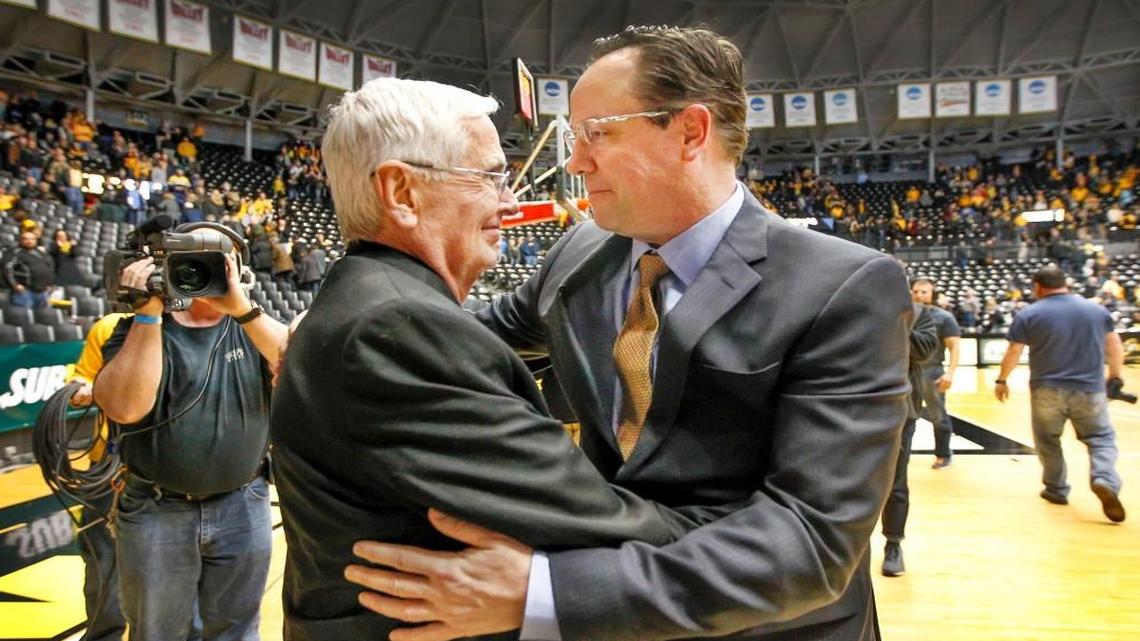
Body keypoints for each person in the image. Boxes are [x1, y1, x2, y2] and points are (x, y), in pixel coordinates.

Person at [346, 25, 912, 641]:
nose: (575, 161)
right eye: (574, 137)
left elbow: (811, 541)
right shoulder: (578, 252)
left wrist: (548, 595)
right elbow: (466, 341)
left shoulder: (845, 286)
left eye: (598, 133)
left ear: (690, 131)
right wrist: (319, 330)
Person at [269, 77, 703, 641]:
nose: (511, 201)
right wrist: (769, 540)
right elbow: (590, 522)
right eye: (489, 177)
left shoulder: (370, 306)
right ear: (402, 192)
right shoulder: (399, 328)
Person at [93, 232, 287, 641]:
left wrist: (242, 309)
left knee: (237, 632)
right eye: (190, 262)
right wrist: (148, 315)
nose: (201, 273)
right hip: (156, 508)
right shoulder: (135, 328)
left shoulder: (252, 327)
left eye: (217, 262)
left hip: (243, 503)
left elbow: (300, 366)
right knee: (157, 633)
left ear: (239, 270)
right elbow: (125, 409)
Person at [995, 265, 1126, 523]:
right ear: (1065, 283)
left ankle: (1056, 489)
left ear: (1037, 286)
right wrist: (1115, 375)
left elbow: (1014, 350)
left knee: (1048, 441)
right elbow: (1113, 342)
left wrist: (1002, 379)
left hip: (1046, 389)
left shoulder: (1029, 313)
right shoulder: (1096, 310)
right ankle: (1104, 478)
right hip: (1089, 388)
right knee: (1100, 438)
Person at [66, 312, 131, 641]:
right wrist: (85, 390)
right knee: (103, 560)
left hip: (174, 466)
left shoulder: (207, 325)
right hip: (110, 465)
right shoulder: (110, 327)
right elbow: (78, 383)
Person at [880, 300, 939, 577]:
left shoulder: (917, 313)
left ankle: (893, 543)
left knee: (896, 480)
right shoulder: (853, 304)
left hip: (901, 409)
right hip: (852, 406)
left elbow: (924, 350)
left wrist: (892, 319)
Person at [911, 277, 961, 468]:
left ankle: (943, 454)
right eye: (916, 291)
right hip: (907, 371)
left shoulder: (944, 317)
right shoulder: (904, 314)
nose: (919, 295)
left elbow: (955, 347)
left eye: (924, 292)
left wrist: (950, 373)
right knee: (905, 415)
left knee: (938, 415)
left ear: (933, 294)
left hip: (932, 371)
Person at [4, 230, 55, 308]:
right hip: (24, 292)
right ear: (21, 240)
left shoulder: (41, 253)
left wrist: (50, 284)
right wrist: (15, 285)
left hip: (43, 292)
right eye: (26, 239)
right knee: (24, 314)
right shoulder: (15, 253)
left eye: (32, 239)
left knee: (42, 315)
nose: (29, 241)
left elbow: (49, 269)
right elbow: (7, 269)